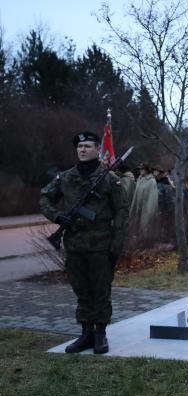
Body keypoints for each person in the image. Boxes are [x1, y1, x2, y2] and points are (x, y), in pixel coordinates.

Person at [40, 131, 129, 354]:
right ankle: (85, 333)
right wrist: (57, 217)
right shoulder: (66, 177)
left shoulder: (109, 179)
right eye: (80, 147)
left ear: (97, 149)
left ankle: (100, 335)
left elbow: (122, 213)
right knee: (81, 290)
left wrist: (116, 246)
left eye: (88, 146)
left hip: (101, 245)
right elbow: (45, 198)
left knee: (101, 291)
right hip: (75, 244)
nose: (82, 150)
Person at [129, 163, 159, 234]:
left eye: (142, 169)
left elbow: (152, 199)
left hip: (145, 209)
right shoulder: (139, 179)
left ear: (146, 170)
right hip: (137, 207)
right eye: (139, 169)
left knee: (144, 229)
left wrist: (149, 213)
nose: (140, 171)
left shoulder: (152, 181)